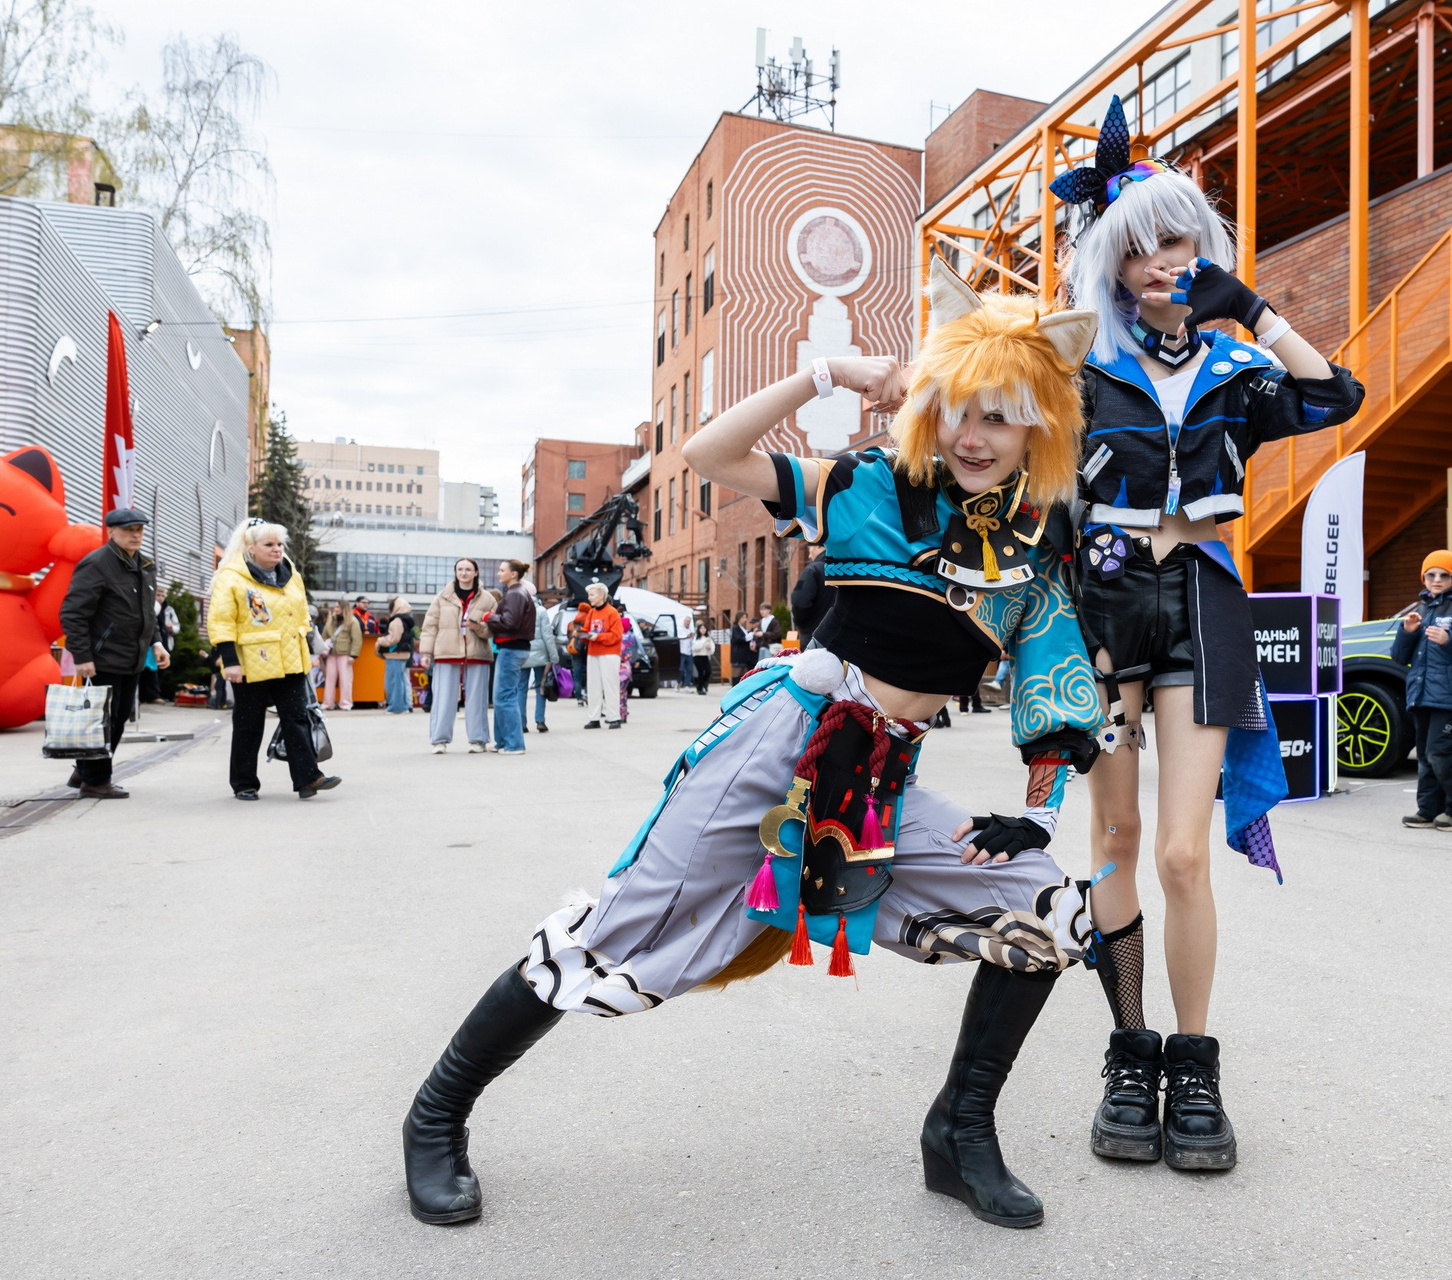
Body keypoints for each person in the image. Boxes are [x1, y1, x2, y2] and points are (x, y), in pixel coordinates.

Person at [400, 260, 1104, 1232]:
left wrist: (1037, 816)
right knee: (621, 927)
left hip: (879, 777)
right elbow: (709, 451)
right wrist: (833, 375)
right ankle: (437, 1113)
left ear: (1039, 428)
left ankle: (959, 1132)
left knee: (1040, 906)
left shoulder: (1036, 548)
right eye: (956, 409)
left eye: (1000, 416)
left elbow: (1054, 689)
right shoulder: (865, 485)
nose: (972, 436)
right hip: (779, 741)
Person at [1053, 96, 1364, 1171]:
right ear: (1111, 259)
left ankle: (1194, 1064)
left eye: (1178, 241)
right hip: (1103, 602)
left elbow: (1336, 397)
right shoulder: (1080, 370)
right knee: (1115, 838)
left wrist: (1255, 312)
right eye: (1140, 245)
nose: (1162, 261)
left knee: (1184, 851)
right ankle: (1128, 1050)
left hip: (1202, 596)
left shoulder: (1237, 372)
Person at [208, 519, 340, 801]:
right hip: (251, 662)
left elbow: (303, 613)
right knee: (248, 723)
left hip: (290, 659)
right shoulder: (231, 577)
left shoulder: (291, 575)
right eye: (268, 544)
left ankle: (308, 778)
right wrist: (230, 661)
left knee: (297, 718)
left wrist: (306, 641)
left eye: (280, 544)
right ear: (251, 547)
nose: (277, 549)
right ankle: (244, 783)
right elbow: (221, 621)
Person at [58, 507, 167, 799]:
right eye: (129, 530)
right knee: (103, 721)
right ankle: (95, 781)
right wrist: (82, 656)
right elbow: (73, 613)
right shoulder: (96, 564)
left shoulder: (145, 565)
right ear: (111, 531)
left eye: (139, 530)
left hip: (132, 658)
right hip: (102, 658)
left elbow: (147, 613)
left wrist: (156, 644)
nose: (135, 535)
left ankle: (85, 770)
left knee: (117, 719)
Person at [1393, 552, 1452, 831]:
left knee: (1439, 751)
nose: (1437, 580)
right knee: (1425, 754)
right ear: (1423, 577)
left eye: (1444, 575)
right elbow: (1399, 657)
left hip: (1450, 696)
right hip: (1421, 695)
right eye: (1431, 574)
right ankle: (1429, 809)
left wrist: (1450, 639)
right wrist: (1407, 631)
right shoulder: (1422, 609)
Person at [420, 559, 498, 754]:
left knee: (477, 699)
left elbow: (494, 627)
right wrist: (426, 653)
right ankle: (439, 740)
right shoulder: (442, 597)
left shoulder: (487, 599)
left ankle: (478, 740)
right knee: (443, 697)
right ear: (455, 572)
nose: (464, 573)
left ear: (476, 572)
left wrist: (478, 627)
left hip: (477, 652)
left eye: (468, 569)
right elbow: (430, 626)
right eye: (460, 569)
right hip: (446, 650)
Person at [486, 559, 537, 755]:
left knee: (504, 697)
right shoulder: (518, 592)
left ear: (513, 574)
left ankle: (514, 744)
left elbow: (510, 621)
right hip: (515, 648)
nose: (499, 573)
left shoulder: (515, 593)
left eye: (502, 570)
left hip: (511, 648)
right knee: (503, 696)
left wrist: (488, 617)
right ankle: (502, 742)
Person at [573, 582, 622, 727]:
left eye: (592, 594)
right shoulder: (591, 612)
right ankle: (594, 718)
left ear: (601, 596)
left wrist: (598, 637)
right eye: (589, 595)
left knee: (610, 685)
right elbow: (587, 629)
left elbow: (616, 635)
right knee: (593, 686)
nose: (589, 597)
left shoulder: (612, 612)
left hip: (609, 653)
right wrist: (580, 633)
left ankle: (614, 717)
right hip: (593, 652)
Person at [529, 590, 563, 732]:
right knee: (540, 686)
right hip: (540, 655)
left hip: (522, 652)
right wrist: (554, 657)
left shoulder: (517, 610)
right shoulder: (541, 611)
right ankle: (540, 720)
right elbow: (548, 636)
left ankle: (521, 722)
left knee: (520, 688)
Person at [789, 552, 837, 650]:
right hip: (840, 641)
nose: (809, 555)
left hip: (813, 638)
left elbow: (799, 601)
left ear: (819, 547)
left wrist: (801, 625)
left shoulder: (811, 570)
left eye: (810, 549)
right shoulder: (845, 571)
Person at [376, 597, 416, 713]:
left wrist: (380, 640)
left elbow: (394, 638)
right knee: (401, 681)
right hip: (403, 653)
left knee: (393, 682)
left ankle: (396, 706)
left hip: (394, 654)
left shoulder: (396, 621)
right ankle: (403, 705)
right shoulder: (406, 620)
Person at [319, 602, 362, 710]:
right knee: (329, 680)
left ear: (344, 608)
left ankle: (346, 703)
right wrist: (324, 646)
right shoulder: (331, 620)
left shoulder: (352, 621)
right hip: (332, 653)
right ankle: (328, 703)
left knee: (345, 680)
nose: (335, 608)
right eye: (335, 606)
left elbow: (357, 639)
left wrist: (353, 655)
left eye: (338, 606)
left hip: (345, 654)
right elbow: (324, 635)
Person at [140, 586, 179, 703]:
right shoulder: (149, 606)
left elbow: (177, 626)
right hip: (149, 644)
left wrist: (172, 628)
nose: (161, 598)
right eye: (158, 595)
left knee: (158, 669)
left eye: (163, 596)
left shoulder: (169, 610)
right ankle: (147, 695)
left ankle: (154, 694)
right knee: (148, 669)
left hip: (164, 643)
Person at [728, 610, 755, 684]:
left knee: (742, 673)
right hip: (738, 653)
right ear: (738, 618)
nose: (745, 619)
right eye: (743, 617)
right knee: (737, 672)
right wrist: (750, 635)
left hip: (744, 654)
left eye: (746, 617)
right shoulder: (736, 628)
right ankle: (735, 687)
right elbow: (738, 639)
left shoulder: (742, 628)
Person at [688, 623, 714, 694]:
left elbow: (712, 648)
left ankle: (704, 683)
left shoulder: (708, 638)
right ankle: (699, 688)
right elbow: (695, 648)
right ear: (699, 630)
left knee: (708, 671)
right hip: (697, 656)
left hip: (705, 656)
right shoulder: (696, 638)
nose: (703, 630)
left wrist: (709, 648)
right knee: (701, 672)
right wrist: (704, 642)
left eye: (704, 628)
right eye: (701, 628)